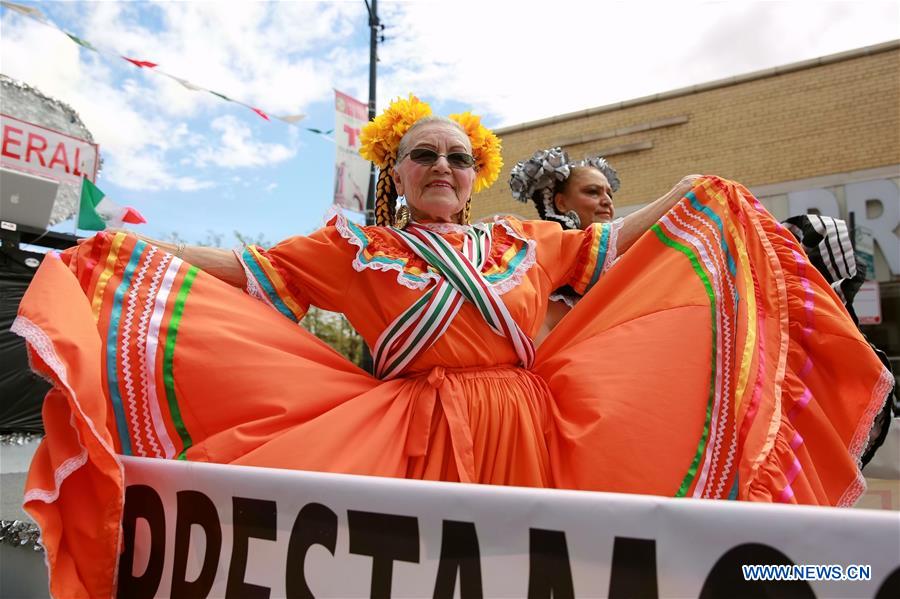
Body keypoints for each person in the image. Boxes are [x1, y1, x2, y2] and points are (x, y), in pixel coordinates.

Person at [14, 95, 892, 597]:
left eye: (458, 157)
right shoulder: (352, 248)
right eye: (423, 154)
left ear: (476, 175)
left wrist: (690, 193)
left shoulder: (527, 240)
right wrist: (132, 250)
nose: (442, 166)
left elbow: (614, 241)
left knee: (540, 569)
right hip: (418, 435)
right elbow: (245, 272)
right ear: (395, 172)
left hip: (536, 431)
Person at [510, 147, 698, 342]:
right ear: (561, 203)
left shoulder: (627, 265)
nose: (607, 201)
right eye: (592, 192)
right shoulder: (536, 266)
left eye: (610, 194)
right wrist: (681, 191)